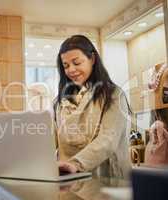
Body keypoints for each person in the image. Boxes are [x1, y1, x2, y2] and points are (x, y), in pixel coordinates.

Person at [54, 35, 131, 178]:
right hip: (71, 181)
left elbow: (108, 140)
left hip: (107, 180)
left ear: (92, 59)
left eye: (76, 63)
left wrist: (76, 164)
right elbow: (52, 139)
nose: (71, 70)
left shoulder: (113, 95)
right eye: (66, 65)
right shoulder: (59, 103)